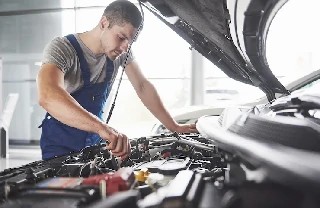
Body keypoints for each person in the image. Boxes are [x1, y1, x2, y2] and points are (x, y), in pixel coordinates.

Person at [37, 0, 197, 160]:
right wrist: (102, 128)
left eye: (130, 42)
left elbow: (142, 86)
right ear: (104, 23)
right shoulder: (63, 48)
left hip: (93, 142)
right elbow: (48, 96)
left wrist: (174, 127)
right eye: (121, 37)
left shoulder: (118, 53)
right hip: (59, 144)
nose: (125, 48)